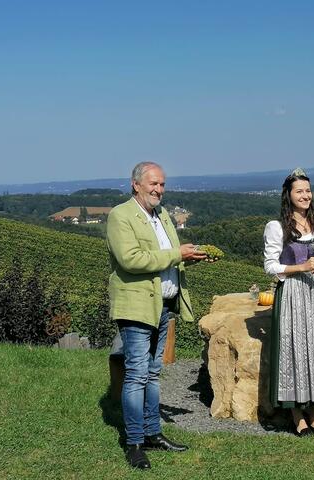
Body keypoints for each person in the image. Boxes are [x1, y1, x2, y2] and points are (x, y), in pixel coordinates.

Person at [106, 161, 206, 469]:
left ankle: (153, 433)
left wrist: (192, 258)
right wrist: (178, 254)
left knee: (151, 373)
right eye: (153, 184)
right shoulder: (120, 216)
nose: (158, 189)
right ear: (135, 184)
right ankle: (134, 443)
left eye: (162, 184)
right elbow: (131, 260)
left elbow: (165, 260)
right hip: (137, 307)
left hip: (163, 306)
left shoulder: (162, 215)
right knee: (136, 375)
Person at [263, 167, 314, 437]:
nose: (305, 195)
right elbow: (270, 266)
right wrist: (300, 267)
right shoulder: (276, 227)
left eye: (308, 190)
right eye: (299, 191)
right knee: (295, 351)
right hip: (293, 295)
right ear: (288, 195)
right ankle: (297, 417)